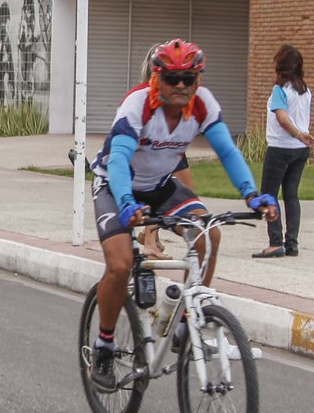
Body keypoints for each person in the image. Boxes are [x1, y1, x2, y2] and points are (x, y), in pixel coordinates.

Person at [85, 39, 276, 392]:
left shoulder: (202, 105)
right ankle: (105, 346)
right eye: (172, 79)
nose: (181, 86)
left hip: (159, 185)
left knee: (209, 234)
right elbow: (119, 158)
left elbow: (227, 151)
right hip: (116, 185)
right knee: (120, 264)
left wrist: (252, 194)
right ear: (157, 78)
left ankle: (190, 316)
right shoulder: (137, 105)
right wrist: (127, 202)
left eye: (189, 78)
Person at [254, 44, 314, 258]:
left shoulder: (280, 90)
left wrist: (297, 133)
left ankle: (275, 242)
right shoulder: (305, 91)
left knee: (269, 195)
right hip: (300, 151)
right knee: (291, 195)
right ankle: (292, 244)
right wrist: (302, 136)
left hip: (280, 148)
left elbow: (282, 118)